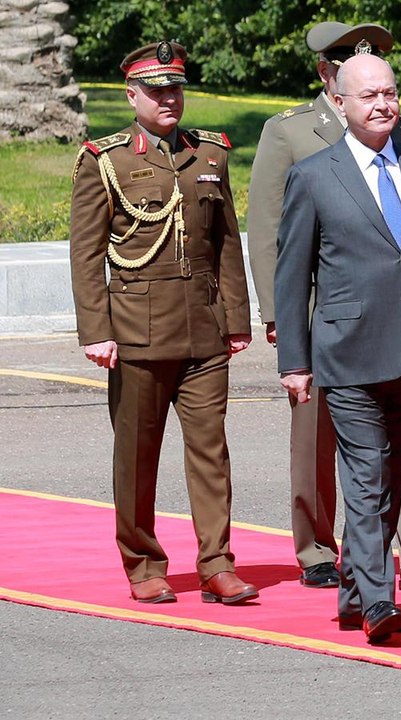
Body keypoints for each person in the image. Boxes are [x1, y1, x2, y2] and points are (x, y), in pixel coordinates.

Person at [246, 22, 401, 593]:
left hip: (397, 313)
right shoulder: (290, 132)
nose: (380, 100)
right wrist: (279, 317)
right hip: (330, 309)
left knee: (393, 442)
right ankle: (319, 547)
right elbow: (272, 231)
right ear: (329, 76)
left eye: (386, 86)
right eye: (353, 70)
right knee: (318, 438)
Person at [69, 41, 259, 606]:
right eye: (156, 91)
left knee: (210, 451)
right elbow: (86, 252)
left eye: (175, 88)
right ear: (132, 97)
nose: (169, 99)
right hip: (137, 332)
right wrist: (96, 330)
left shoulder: (210, 154)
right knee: (137, 455)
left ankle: (217, 563)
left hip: (203, 329)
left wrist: (235, 318)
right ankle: (144, 561)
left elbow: (225, 242)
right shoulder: (106, 160)